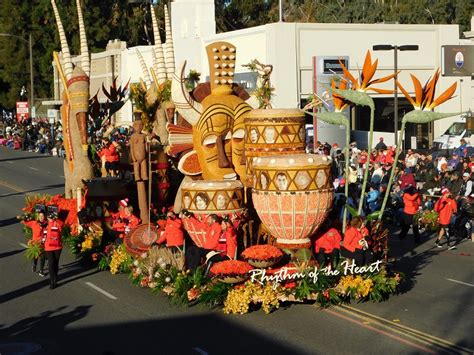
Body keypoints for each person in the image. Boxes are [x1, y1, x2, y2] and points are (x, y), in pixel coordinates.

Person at [22, 211, 48, 277]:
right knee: (36, 256)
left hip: (43, 243)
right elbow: (25, 223)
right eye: (40, 216)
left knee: (43, 257)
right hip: (35, 244)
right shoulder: (34, 223)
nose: (41, 217)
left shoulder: (47, 223)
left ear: (44, 216)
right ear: (38, 217)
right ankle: (34, 264)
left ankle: (41, 271)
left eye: (42, 216)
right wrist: (25, 217)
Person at [43, 210, 64, 289]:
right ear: (47, 218)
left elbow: (62, 226)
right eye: (49, 217)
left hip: (57, 247)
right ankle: (52, 281)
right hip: (48, 247)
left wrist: (56, 218)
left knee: (55, 263)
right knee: (51, 263)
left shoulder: (57, 223)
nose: (50, 218)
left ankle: (55, 278)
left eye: (51, 216)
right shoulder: (45, 224)